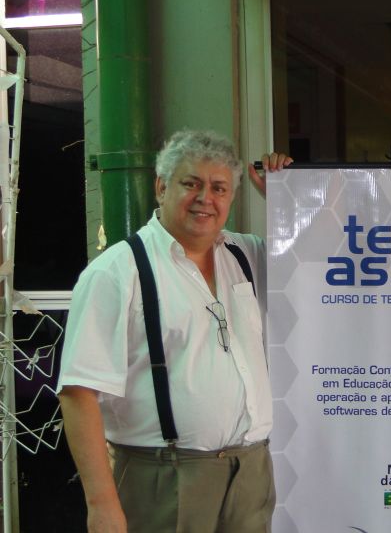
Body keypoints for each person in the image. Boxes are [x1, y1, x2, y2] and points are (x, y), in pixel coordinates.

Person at [57, 130, 292, 533]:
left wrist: (285, 197)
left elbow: (321, 269)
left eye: (219, 188)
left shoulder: (246, 253)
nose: (206, 199)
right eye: (191, 183)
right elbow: (78, 394)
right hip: (164, 479)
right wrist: (102, 504)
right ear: (161, 187)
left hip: (250, 475)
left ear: (232, 197)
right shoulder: (117, 272)